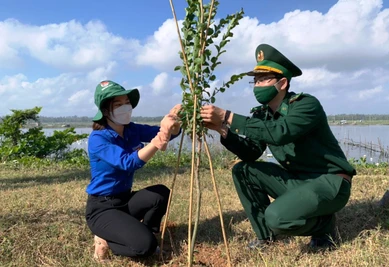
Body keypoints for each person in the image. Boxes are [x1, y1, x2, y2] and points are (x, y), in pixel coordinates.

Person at [200, 44, 356, 250]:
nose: (257, 85)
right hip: (298, 181)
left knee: (276, 217)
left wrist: (228, 116)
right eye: (255, 80)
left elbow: (280, 132)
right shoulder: (262, 114)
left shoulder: (306, 105)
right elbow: (252, 152)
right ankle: (266, 237)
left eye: (264, 79)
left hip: (329, 182)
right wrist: (223, 130)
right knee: (243, 170)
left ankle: (324, 226)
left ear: (282, 83)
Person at [85, 80, 181, 262]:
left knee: (160, 193)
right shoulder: (99, 139)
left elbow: (164, 132)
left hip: (125, 200)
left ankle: (150, 233)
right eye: (118, 104)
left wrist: (173, 123)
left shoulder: (131, 129)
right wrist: (157, 141)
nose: (125, 107)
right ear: (105, 111)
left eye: (127, 102)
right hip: (102, 208)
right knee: (144, 247)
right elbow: (128, 162)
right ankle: (105, 238)